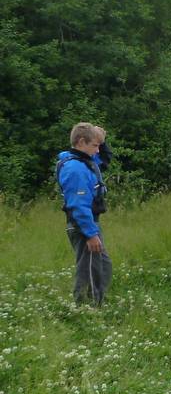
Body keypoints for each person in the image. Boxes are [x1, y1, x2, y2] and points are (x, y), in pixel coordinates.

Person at [56, 122, 113, 307]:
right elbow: (78, 206)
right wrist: (90, 234)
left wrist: (102, 141)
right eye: (95, 145)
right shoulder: (75, 169)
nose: (98, 150)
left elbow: (104, 160)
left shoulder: (85, 161)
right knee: (89, 269)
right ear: (81, 142)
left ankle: (98, 302)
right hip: (82, 227)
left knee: (103, 266)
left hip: (91, 224)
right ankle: (84, 308)